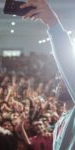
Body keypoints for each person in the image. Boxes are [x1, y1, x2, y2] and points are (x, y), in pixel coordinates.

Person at [21, 0, 75, 149]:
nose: (60, 79)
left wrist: (53, 24)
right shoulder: (61, 121)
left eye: (66, 77)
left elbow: (68, 65)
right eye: (59, 77)